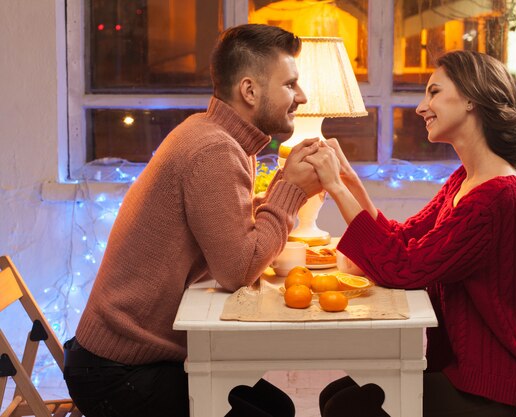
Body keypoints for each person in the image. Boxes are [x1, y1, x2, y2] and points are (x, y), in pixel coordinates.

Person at [63, 24, 323, 417]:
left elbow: (221, 222)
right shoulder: (214, 150)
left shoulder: (212, 134)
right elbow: (238, 269)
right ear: (250, 91)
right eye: (290, 85)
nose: (301, 97)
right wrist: (289, 189)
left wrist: (280, 191)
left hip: (121, 357)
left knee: (279, 407)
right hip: (119, 372)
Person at [305, 50, 516, 417]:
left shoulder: (495, 195)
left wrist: (336, 190)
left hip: (492, 384)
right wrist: (351, 184)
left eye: (434, 92)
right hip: (465, 369)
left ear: (471, 97)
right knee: (336, 396)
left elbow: (404, 269)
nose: (422, 107)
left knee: (345, 406)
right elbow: (405, 240)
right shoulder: (468, 179)